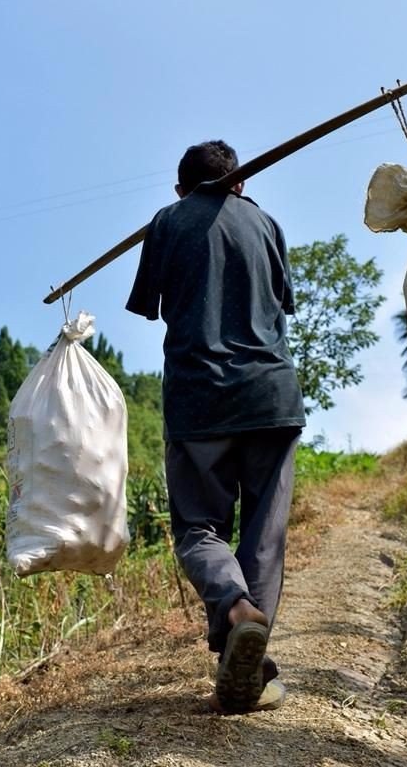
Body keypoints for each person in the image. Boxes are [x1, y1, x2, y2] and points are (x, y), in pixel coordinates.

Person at [125, 140, 305, 714]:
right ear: (241, 183)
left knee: (199, 528)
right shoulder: (267, 225)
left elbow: (148, 304)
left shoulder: (167, 223)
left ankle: (233, 609)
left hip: (199, 400)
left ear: (180, 189)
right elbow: (282, 303)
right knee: (264, 536)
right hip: (270, 396)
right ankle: (252, 667)